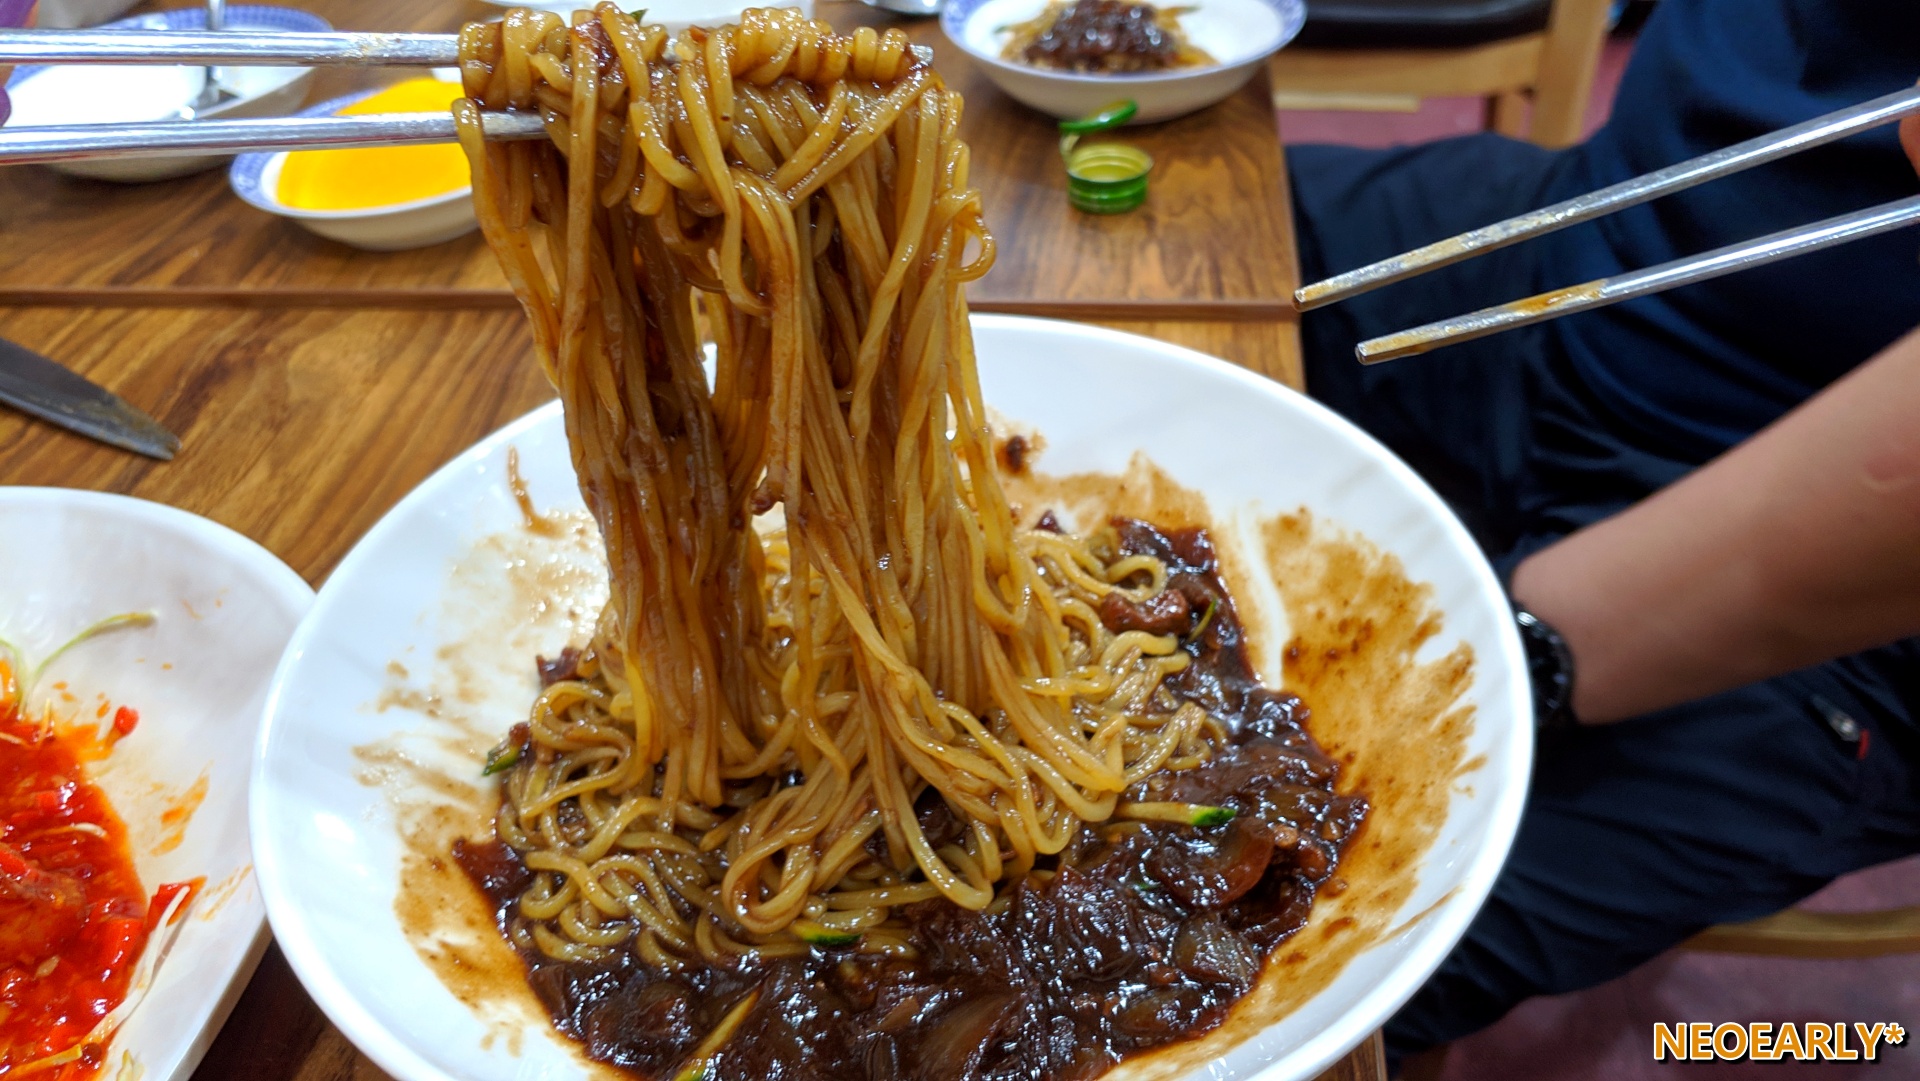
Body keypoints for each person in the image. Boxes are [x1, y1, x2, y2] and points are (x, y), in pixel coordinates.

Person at [1287, 0, 1920, 1067]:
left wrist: (1509, 654)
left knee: (1326, 942)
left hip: (1846, 577)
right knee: (1144, 240)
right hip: (1599, 235)